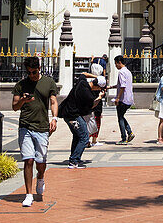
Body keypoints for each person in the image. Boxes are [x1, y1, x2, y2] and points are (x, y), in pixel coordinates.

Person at [12, 56, 58, 207]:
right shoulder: (21, 85)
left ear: (39, 68)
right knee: (28, 160)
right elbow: (14, 106)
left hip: (42, 126)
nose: (31, 75)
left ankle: (41, 177)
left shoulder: (48, 82)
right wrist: (23, 100)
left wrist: (54, 118)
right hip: (25, 126)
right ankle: (28, 194)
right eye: (29, 72)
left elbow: (53, 101)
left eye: (34, 72)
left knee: (40, 161)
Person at [60, 72, 102, 168]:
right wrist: (99, 97)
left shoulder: (82, 82)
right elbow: (92, 105)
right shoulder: (88, 94)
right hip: (73, 115)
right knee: (84, 137)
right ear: (97, 87)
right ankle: (74, 161)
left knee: (77, 135)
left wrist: (96, 76)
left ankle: (74, 158)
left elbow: (83, 73)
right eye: (99, 88)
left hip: (67, 113)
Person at [114, 55, 135, 143]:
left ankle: (124, 137)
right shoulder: (128, 72)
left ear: (119, 63)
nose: (115, 66)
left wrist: (117, 98)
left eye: (116, 64)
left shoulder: (121, 72)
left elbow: (123, 86)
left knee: (120, 118)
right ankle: (129, 132)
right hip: (129, 99)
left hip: (123, 99)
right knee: (121, 116)